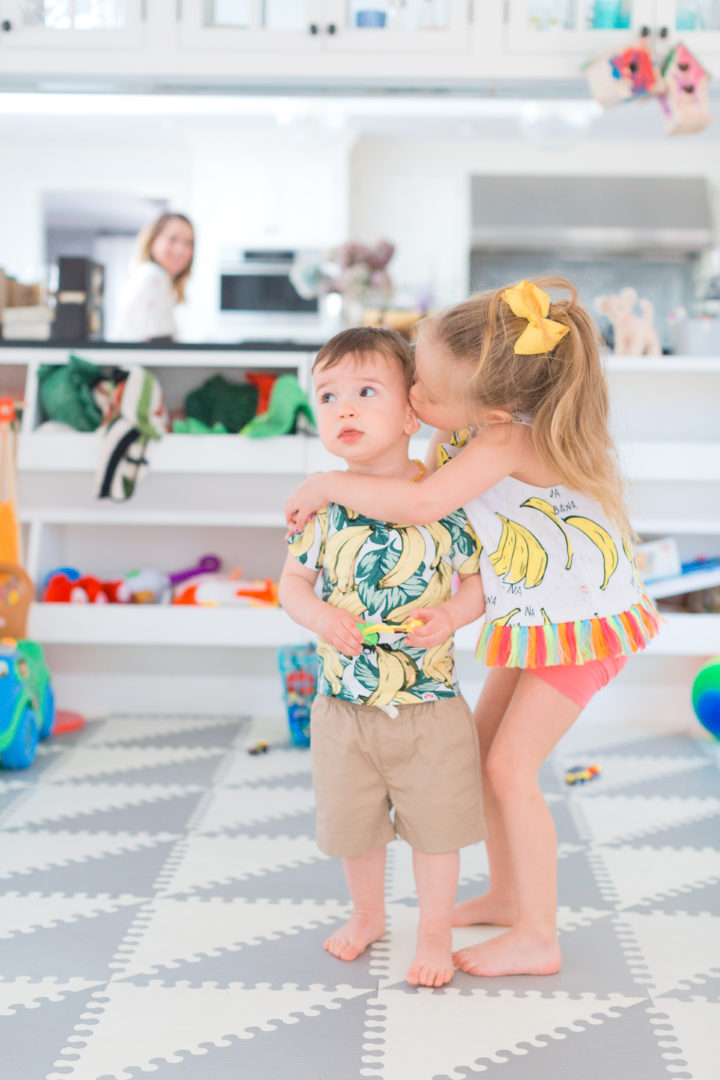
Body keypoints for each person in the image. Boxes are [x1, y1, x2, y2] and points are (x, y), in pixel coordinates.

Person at [285, 278, 661, 978]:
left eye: (420, 387)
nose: (412, 396)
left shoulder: (507, 436)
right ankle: (510, 892)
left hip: (585, 624)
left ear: (486, 404)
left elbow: (424, 503)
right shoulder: (469, 428)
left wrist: (327, 483)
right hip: (547, 615)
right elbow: (421, 487)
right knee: (480, 748)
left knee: (509, 768)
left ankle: (537, 935)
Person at [279, 326, 487, 988]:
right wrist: (320, 616)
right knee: (355, 827)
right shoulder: (322, 509)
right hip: (344, 707)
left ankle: (432, 929)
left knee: (437, 829)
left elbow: (482, 582)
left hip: (428, 707)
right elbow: (291, 584)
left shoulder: (443, 503)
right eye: (329, 395)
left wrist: (452, 615)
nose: (344, 408)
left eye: (366, 392)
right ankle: (368, 914)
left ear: (408, 412)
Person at [114, 212, 194, 342]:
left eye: (188, 243)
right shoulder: (153, 275)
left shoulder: (146, 274)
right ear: (152, 240)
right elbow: (159, 344)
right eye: (172, 239)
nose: (180, 249)